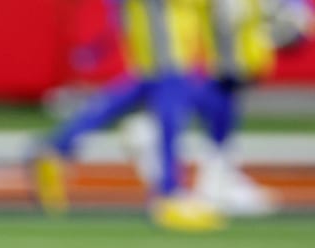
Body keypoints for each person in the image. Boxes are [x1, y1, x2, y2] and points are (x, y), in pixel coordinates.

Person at [31, 0, 226, 232]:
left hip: (169, 42)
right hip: (167, 43)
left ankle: (56, 147)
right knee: (171, 115)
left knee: (134, 97)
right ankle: (169, 194)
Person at [121, 0, 314, 216]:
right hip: (210, 54)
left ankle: (215, 181)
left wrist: (290, 14)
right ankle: (198, 181)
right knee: (191, 95)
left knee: (218, 107)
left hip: (232, 53)